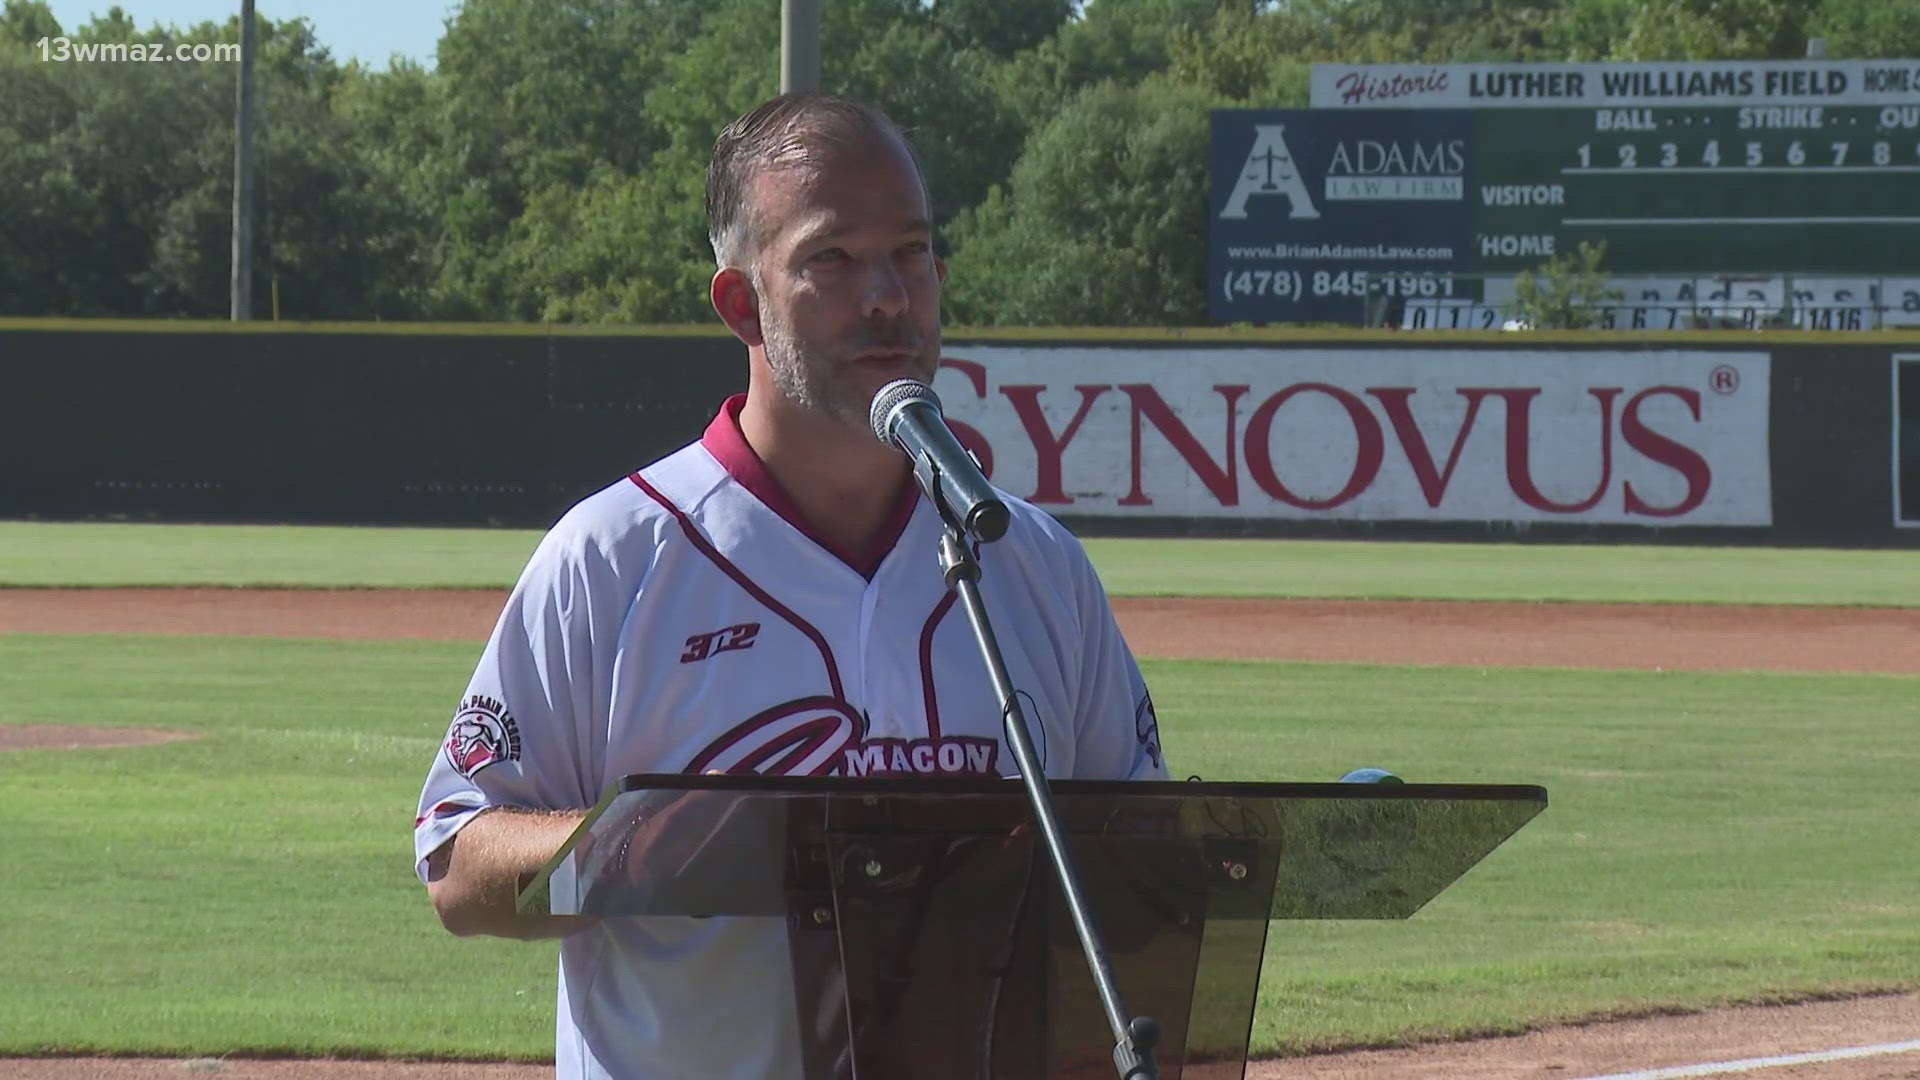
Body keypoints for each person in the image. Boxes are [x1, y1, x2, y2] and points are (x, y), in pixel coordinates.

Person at [413, 92, 1167, 1079]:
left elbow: (1147, 863)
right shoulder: (614, 556)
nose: (889, 296)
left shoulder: (1032, 563)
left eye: (910, 252)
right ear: (742, 303)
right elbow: (458, 866)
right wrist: (634, 849)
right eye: (833, 259)